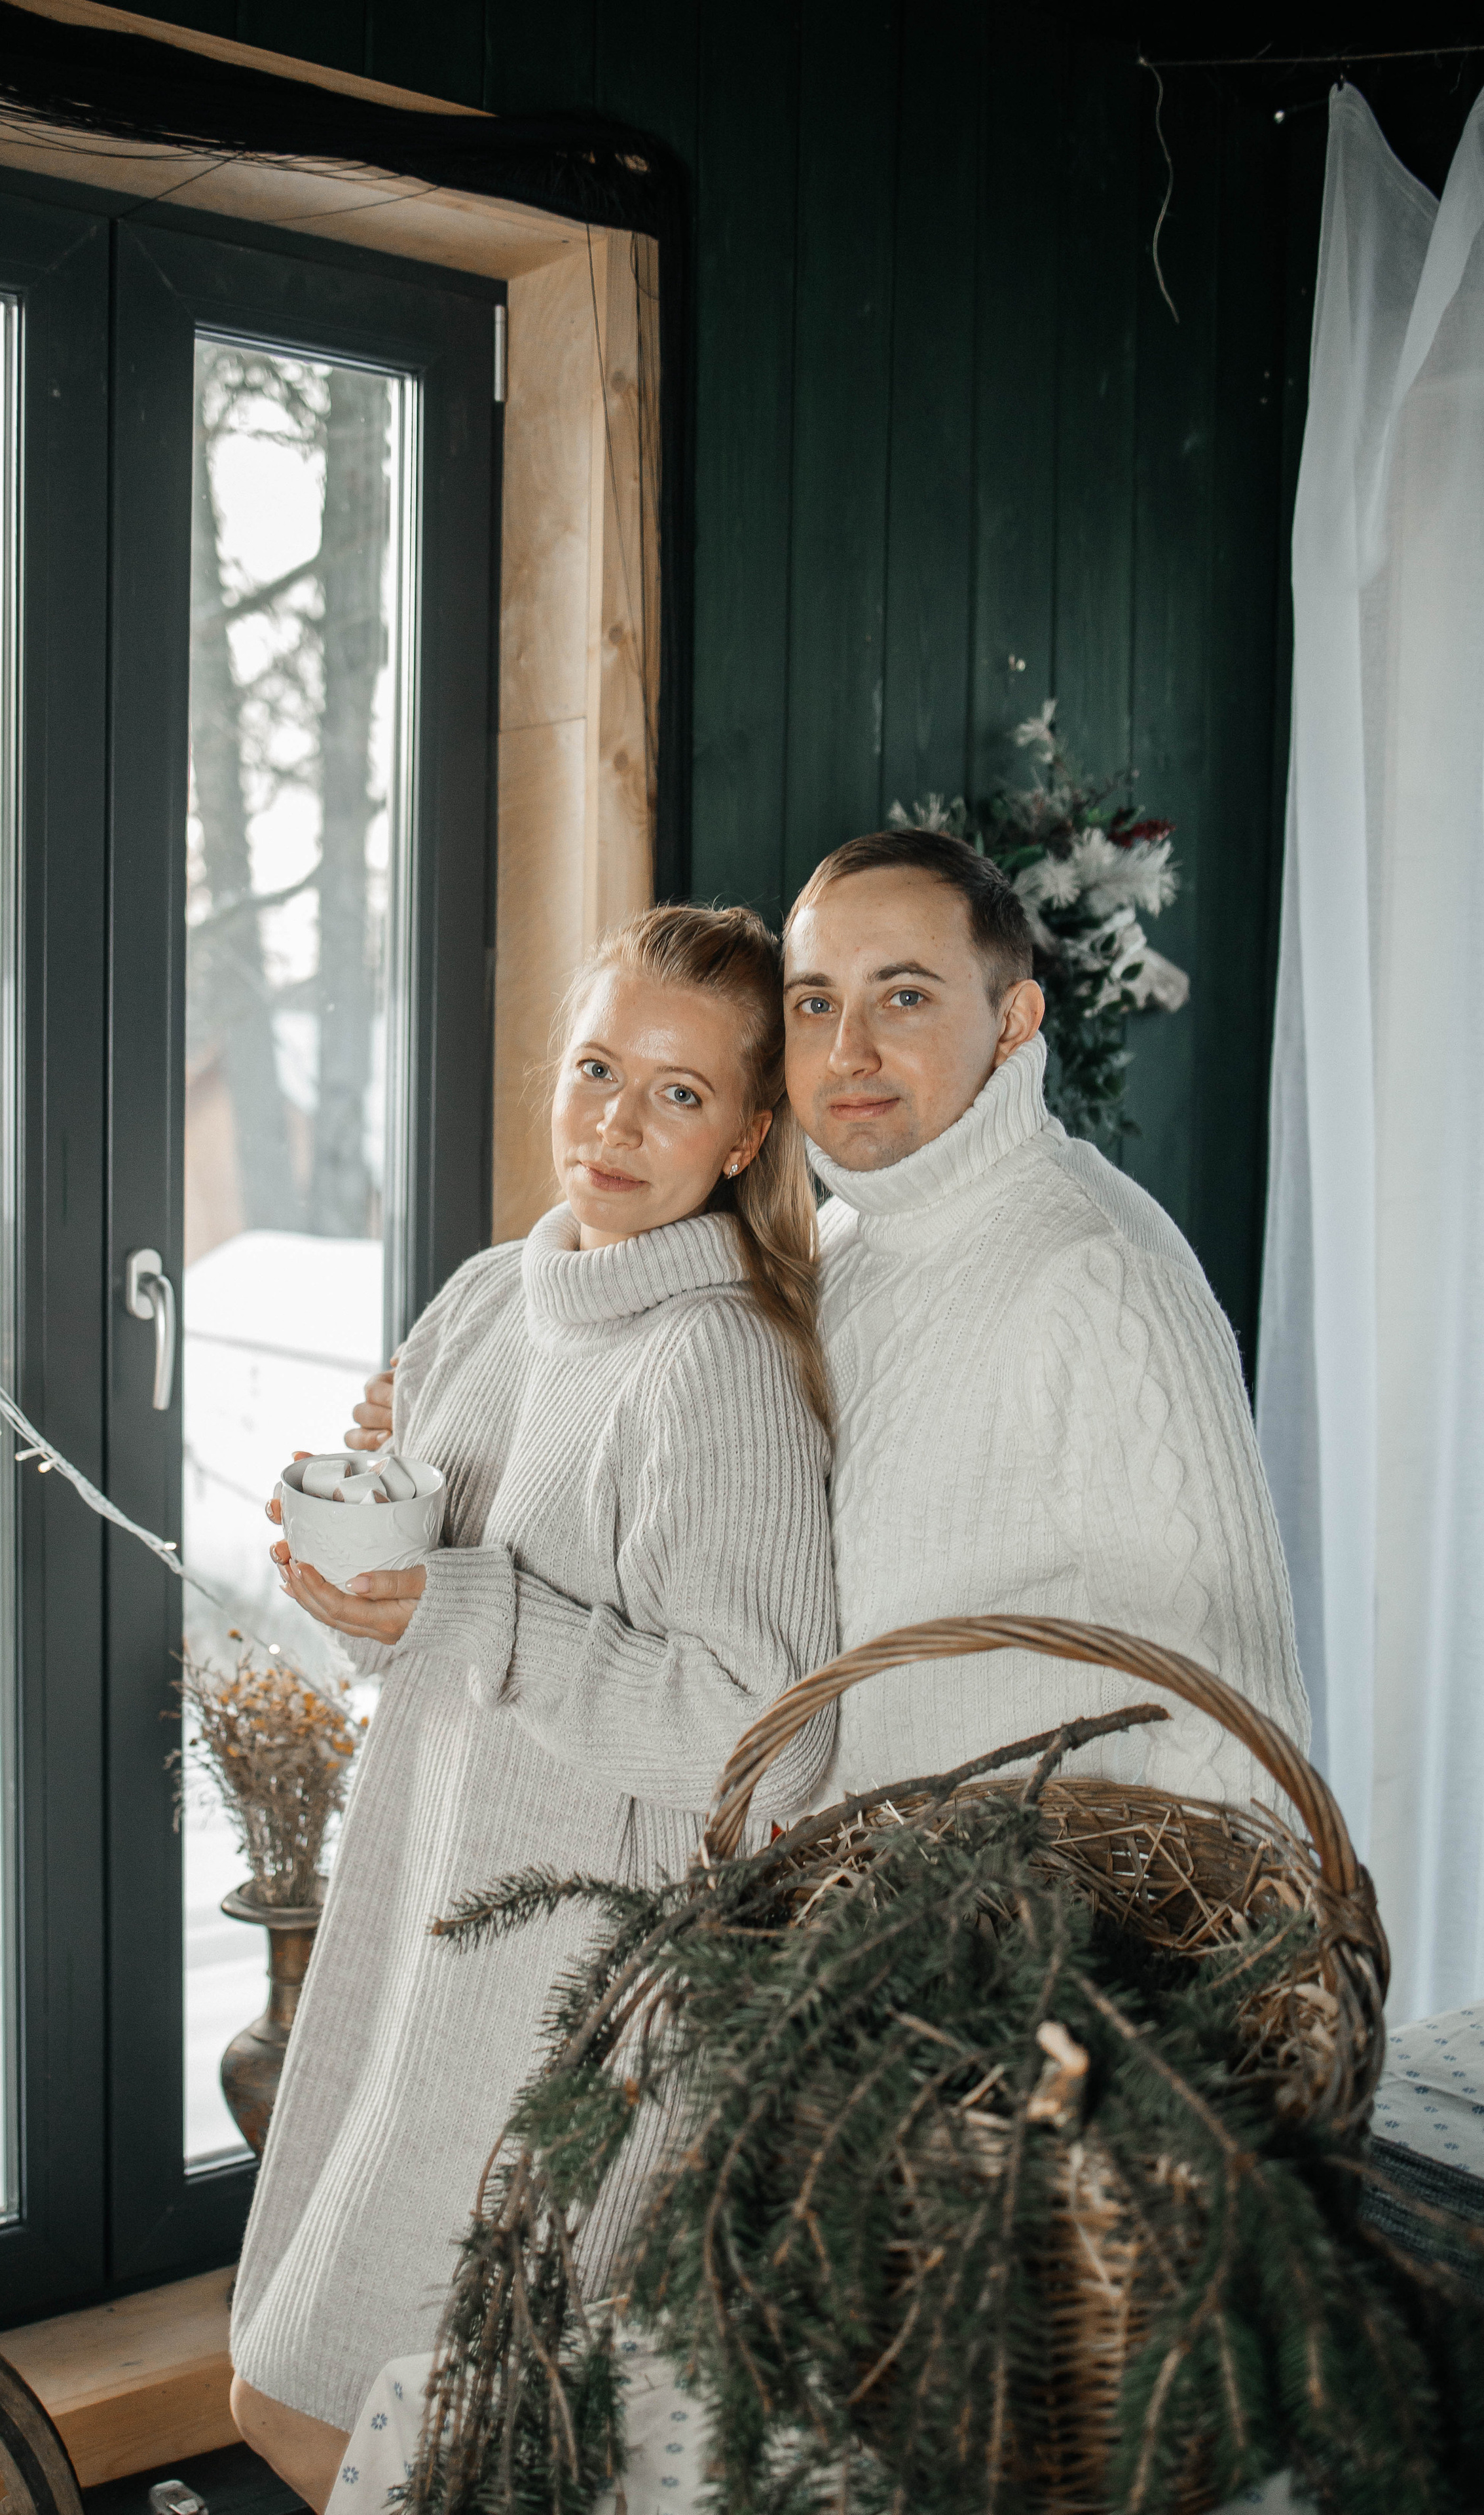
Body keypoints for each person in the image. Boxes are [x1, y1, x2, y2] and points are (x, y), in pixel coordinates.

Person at [228, 904, 839, 2510]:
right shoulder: (494, 1294)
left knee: (348, 2416)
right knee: (322, 2396)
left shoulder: (716, 1365)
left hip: (567, 1991)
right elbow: (422, 1626)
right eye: (595, 1070)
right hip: (424, 1916)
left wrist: (461, 1601)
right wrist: (363, 1592)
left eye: (677, 1094)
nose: (614, 1125)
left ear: (746, 1135)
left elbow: (765, 1739)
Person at [781, 828, 1309, 1805]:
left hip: (1035, 1900)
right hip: (826, 1895)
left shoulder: (1099, 1276)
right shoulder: (830, 1246)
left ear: (1014, 1021)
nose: (847, 1051)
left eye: (904, 996)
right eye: (816, 1003)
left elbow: (1237, 1729)